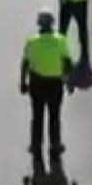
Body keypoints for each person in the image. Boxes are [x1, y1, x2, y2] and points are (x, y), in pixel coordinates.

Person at [20, 9, 73, 159]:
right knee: (54, 116)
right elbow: (67, 63)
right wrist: (69, 82)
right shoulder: (60, 40)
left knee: (37, 116)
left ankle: (36, 145)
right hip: (55, 83)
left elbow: (25, 63)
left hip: (37, 82)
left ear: (39, 24)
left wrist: (23, 82)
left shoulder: (32, 41)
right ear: (52, 23)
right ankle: (55, 144)